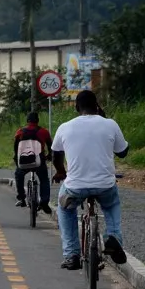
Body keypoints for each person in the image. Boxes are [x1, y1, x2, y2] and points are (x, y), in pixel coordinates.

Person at [51, 90, 129, 270]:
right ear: (97, 106)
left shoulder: (65, 127)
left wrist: (61, 171)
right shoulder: (110, 124)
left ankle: (71, 254)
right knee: (111, 205)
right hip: (105, 186)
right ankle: (113, 238)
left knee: (65, 208)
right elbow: (123, 152)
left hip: (75, 187)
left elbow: (56, 155)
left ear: (77, 107)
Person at [13, 112, 53, 215]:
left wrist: (16, 159)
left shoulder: (20, 132)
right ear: (37, 120)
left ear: (27, 121)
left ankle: (21, 198)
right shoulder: (44, 132)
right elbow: (50, 147)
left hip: (24, 162)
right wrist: (48, 156)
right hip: (39, 161)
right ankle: (44, 202)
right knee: (44, 179)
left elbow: (16, 148)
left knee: (19, 175)